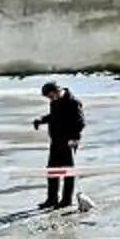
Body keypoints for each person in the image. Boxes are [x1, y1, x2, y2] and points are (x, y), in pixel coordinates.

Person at [35, 81, 86, 210]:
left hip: (69, 140)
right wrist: (41, 120)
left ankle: (66, 200)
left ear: (57, 91)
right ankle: (52, 199)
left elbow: (80, 122)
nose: (50, 99)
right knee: (51, 170)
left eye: (50, 96)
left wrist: (74, 138)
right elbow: (54, 116)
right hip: (56, 140)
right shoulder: (55, 101)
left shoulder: (73, 102)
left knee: (68, 170)